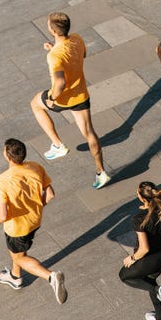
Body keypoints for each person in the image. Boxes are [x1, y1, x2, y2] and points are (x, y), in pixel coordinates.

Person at [30, 12, 110, 189]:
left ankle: (57, 144)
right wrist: (55, 48)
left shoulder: (54, 57)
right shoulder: (77, 39)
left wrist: (51, 97)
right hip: (81, 94)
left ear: (52, 30)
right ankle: (101, 172)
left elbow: (60, 82)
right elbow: (78, 56)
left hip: (63, 99)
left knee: (36, 104)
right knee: (90, 133)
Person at [0, 138, 67, 304]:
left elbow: (3, 215)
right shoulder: (35, 167)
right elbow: (50, 194)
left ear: (7, 156)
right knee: (18, 252)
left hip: (16, 227)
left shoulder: (1, 181)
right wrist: (37, 206)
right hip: (35, 220)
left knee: (19, 258)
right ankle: (15, 277)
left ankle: (50, 277)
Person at [119, 181, 161, 320]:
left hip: (148, 260)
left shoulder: (139, 219)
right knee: (150, 281)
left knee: (124, 275)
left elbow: (144, 248)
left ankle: (158, 291)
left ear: (141, 198)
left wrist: (131, 258)